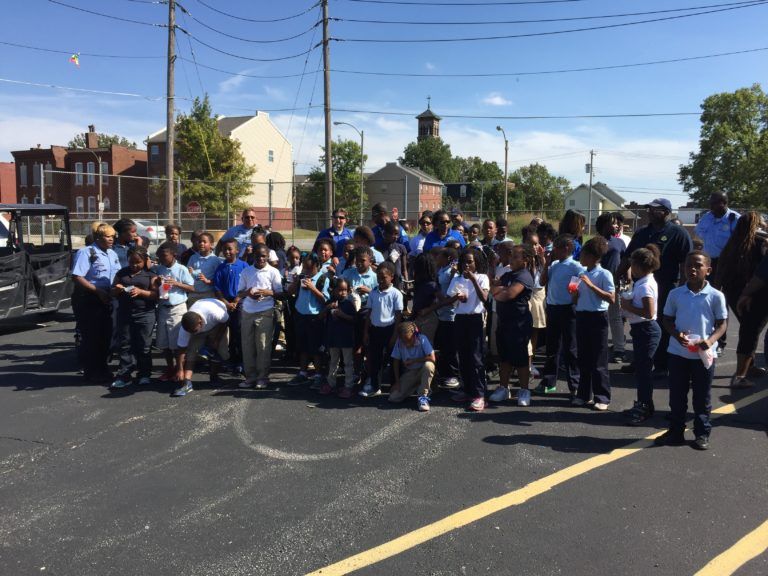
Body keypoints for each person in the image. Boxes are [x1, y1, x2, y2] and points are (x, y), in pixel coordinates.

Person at [655, 251, 728, 450]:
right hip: (678, 353)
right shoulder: (676, 294)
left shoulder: (715, 296)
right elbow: (667, 319)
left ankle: (702, 433)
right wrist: (676, 334)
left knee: (702, 396)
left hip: (703, 356)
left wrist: (711, 340)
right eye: (688, 266)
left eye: (697, 265)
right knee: (677, 395)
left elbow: (722, 324)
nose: (692, 269)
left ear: (708, 270)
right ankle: (676, 431)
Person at [618, 198, 692, 377]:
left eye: (655, 209)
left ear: (666, 212)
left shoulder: (678, 233)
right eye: (649, 209)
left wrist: (684, 288)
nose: (649, 212)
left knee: (661, 324)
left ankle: (661, 365)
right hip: (641, 285)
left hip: (667, 287)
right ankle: (640, 361)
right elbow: (628, 257)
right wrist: (617, 275)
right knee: (639, 324)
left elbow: (686, 263)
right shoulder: (643, 232)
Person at [715, 212, 768, 387]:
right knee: (750, 332)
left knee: (748, 329)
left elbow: (722, 270)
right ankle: (740, 375)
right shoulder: (760, 243)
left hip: (733, 293)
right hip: (755, 294)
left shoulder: (733, 243)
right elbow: (761, 272)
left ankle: (749, 366)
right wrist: (749, 293)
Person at [71, 223, 122, 383]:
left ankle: (103, 369)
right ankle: (91, 372)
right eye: (108, 237)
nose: (111, 239)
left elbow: (117, 274)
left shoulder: (112, 254)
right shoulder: (86, 252)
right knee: (92, 337)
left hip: (109, 297)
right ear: (99, 238)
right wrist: (97, 291)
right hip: (91, 298)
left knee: (107, 337)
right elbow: (78, 276)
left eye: (113, 237)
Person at [537, 234, 586, 396]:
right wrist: (546, 264)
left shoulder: (575, 266)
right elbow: (543, 282)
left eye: (556, 248)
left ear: (566, 249)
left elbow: (580, 282)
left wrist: (573, 290)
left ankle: (575, 384)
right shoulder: (554, 265)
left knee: (571, 348)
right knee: (552, 348)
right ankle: (549, 381)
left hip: (568, 309)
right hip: (553, 308)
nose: (554, 251)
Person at [620, 244, 662, 425]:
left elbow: (649, 312)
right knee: (641, 370)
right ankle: (644, 403)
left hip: (646, 329)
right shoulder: (643, 282)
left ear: (638, 266)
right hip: (641, 330)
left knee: (644, 372)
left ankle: (645, 405)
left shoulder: (645, 286)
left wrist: (627, 306)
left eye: (632, 265)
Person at [572, 237, 615, 410]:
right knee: (583, 358)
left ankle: (602, 397)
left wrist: (590, 285)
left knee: (598, 359)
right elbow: (576, 299)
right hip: (582, 316)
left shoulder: (604, 274)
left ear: (592, 256)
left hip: (598, 317)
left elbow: (611, 298)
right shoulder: (581, 273)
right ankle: (583, 394)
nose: (580, 257)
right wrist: (574, 293)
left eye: (583, 254)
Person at [490, 244, 535, 406]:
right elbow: (494, 291)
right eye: (511, 256)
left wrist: (499, 290)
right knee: (504, 357)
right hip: (504, 322)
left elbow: (508, 295)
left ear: (526, 260)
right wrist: (499, 288)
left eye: (516, 256)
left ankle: (524, 390)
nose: (511, 259)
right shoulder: (508, 275)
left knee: (521, 358)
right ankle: (503, 388)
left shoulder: (524, 276)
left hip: (519, 323)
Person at [447, 248, 490, 412]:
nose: (467, 264)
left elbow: (484, 298)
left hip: (475, 318)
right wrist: (456, 298)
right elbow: (450, 300)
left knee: (476, 357)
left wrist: (473, 280)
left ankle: (480, 394)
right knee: (463, 356)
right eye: (464, 261)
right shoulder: (457, 278)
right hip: (460, 318)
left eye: (470, 261)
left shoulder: (482, 277)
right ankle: (467, 389)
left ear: (476, 262)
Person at [235, 243, 283, 389]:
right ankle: (250, 377)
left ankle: (262, 377)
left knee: (263, 345)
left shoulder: (273, 272)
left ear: (268, 256)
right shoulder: (246, 271)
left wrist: (268, 292)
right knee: (247, 346)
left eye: (263, 256)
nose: (261, 258)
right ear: (252, 256)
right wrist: (248, 293)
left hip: (265, 311)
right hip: (248, 311)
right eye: (257, 255)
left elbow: (280, 293)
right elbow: (239, 293)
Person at [109, 246, 158, 389]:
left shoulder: (151, 275)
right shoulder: (122, 273)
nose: (134, 265)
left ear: (145, 261)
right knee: (125, 345)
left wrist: (141, 292)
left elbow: (155, 295)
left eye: (138, 262)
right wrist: (116, 290)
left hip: (145, 314)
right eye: (131, 262)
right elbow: (112, 293)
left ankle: (144, 374)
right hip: (124, 313)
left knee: (144, 345)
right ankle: (124, 375)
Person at [152, 242, 195, 382]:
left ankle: (179, 368)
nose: (162, 259)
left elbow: (192, 288)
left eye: (165, 256)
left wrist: (176, 283)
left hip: (177, 308)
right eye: (160, 256)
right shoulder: (159, 269)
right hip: (163, 307)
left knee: (177, 343)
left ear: (173, 255)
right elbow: (153, 282)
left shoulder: (181, 269)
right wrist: (157, 282)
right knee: (163, 342)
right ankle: (169, 368)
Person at [360, 262, 404, 398]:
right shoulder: (373, 292)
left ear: (391, 277)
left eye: (383, 277)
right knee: (375, 360)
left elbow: (398, 316)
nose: (380, 280)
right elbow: (369, 312)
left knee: (393, 359)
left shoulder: (396, 294)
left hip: (390, 330)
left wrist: (395, 335)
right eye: (378, 277)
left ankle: (394, 386)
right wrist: (366, 332)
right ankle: (375, 386)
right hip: (375, 330)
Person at [287, 252, 331, 387]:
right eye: (304, 266)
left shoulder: (323, 278)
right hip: (300, 314)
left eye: (309, 267)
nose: (306, 269)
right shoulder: (302, 277)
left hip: (315, 317)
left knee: (316, 347)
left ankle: (318, 375)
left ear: (317, 265)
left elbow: (325, 299)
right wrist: (296, 281)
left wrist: (312, 288)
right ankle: (302, 373)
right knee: (302, 346)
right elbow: (290, 292)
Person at [173, 298, 231, 397]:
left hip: (217, 325)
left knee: (220, 351)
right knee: (191, 352)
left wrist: (217, 339)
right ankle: (187, 383)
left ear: (200, 322)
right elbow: (181, 350)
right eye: (190, 332)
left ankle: (214, 377)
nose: (191, 333)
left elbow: (226, 321)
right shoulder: (186, 328)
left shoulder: (216, 314)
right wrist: (180, 370)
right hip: (201, 326)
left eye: (193, 331)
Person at [213, 239, 248, 374]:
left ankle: (240, 361)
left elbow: (247, 286)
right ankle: (229, 361)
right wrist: (226, 303)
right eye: (225, 249)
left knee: (238, 333)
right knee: (223, 333)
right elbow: (217, 288)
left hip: (240, 303)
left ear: (237, 250)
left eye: (230, 249)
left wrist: (237, 300)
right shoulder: (221, 268)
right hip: (225, 304)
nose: (227, 251)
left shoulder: (244, 266)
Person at [596, 212, 625, 363]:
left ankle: (619, 348)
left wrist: (627, 275)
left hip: (614, 285)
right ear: (603, 226)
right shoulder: (595, 242)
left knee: (615, 316)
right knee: (598, 316)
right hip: (596, 285)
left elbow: (626, 260)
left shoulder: (619, 243)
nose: (615, 226)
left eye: (616, 223)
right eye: (612, 223)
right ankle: (598, 346)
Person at [321, 278, 358, 398]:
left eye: (345, 290)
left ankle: (348, 386)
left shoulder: (348, 304)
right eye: (340, 290)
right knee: (333, 362)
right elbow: (320, 317)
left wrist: (342, 315)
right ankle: (331, 383)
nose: (342, 293)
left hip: (346, 338)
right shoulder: (330, 303)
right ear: (333, 290)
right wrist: (328, 308)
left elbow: (354, 319)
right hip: (333, 337)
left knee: (348, 363)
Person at [388, 321, 437, 411]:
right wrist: (397, 382)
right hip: (411, 372)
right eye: (404, 340)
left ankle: (423, 397)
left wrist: (414, 360)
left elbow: (432, 358)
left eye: (408, 340)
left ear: (414, 335)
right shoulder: (399, 342)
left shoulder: (422, 338)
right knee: (393, 397)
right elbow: (395, 361)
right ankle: (418, 387)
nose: (406, 343)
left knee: (429, 365)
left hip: (423, 370)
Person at [695, 191, 740, 283]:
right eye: (710, 204)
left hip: (727, 263)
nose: (711, 207)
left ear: (724, 203)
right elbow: (698, 232)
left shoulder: (735, 218)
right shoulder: (707, 217)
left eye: (714, 204)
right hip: (708, 261)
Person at [434, 247, 460, 389]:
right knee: (443, 346)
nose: (436, 258)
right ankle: (444, 373)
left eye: (439, 255)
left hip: (450, 315)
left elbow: (452, 294)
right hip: (441, 314)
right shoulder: (441, 269)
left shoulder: (453, 273)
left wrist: (440, 298)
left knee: (451, 347)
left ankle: (454, 375)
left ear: (448, 258)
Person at [409, 253, 440, 344]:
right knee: (415, 344)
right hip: (417, 316)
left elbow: (442, 301)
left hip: (429, 318)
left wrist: (429, 309)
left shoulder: (432, 285)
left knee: (426, 345)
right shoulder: (419, 282)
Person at [187, 232, 223, 305]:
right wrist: (189, 272)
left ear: (211, 244)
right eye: (200, 241)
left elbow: (218, 279)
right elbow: (188, 273)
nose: (201, 244)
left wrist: (208, 281)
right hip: (194, 293)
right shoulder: (193, 257)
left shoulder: (215, 260)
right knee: (192, 314)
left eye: (204, 242)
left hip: (208, 294)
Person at [380, 221, 409, 287]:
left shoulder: (401, 248)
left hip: (398, 283)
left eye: (397, 234)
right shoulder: (378, 248)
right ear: (385, 234)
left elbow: (404, 269)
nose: (396, 237)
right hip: (384, 283)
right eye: (393, 234)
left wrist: (407, 283)